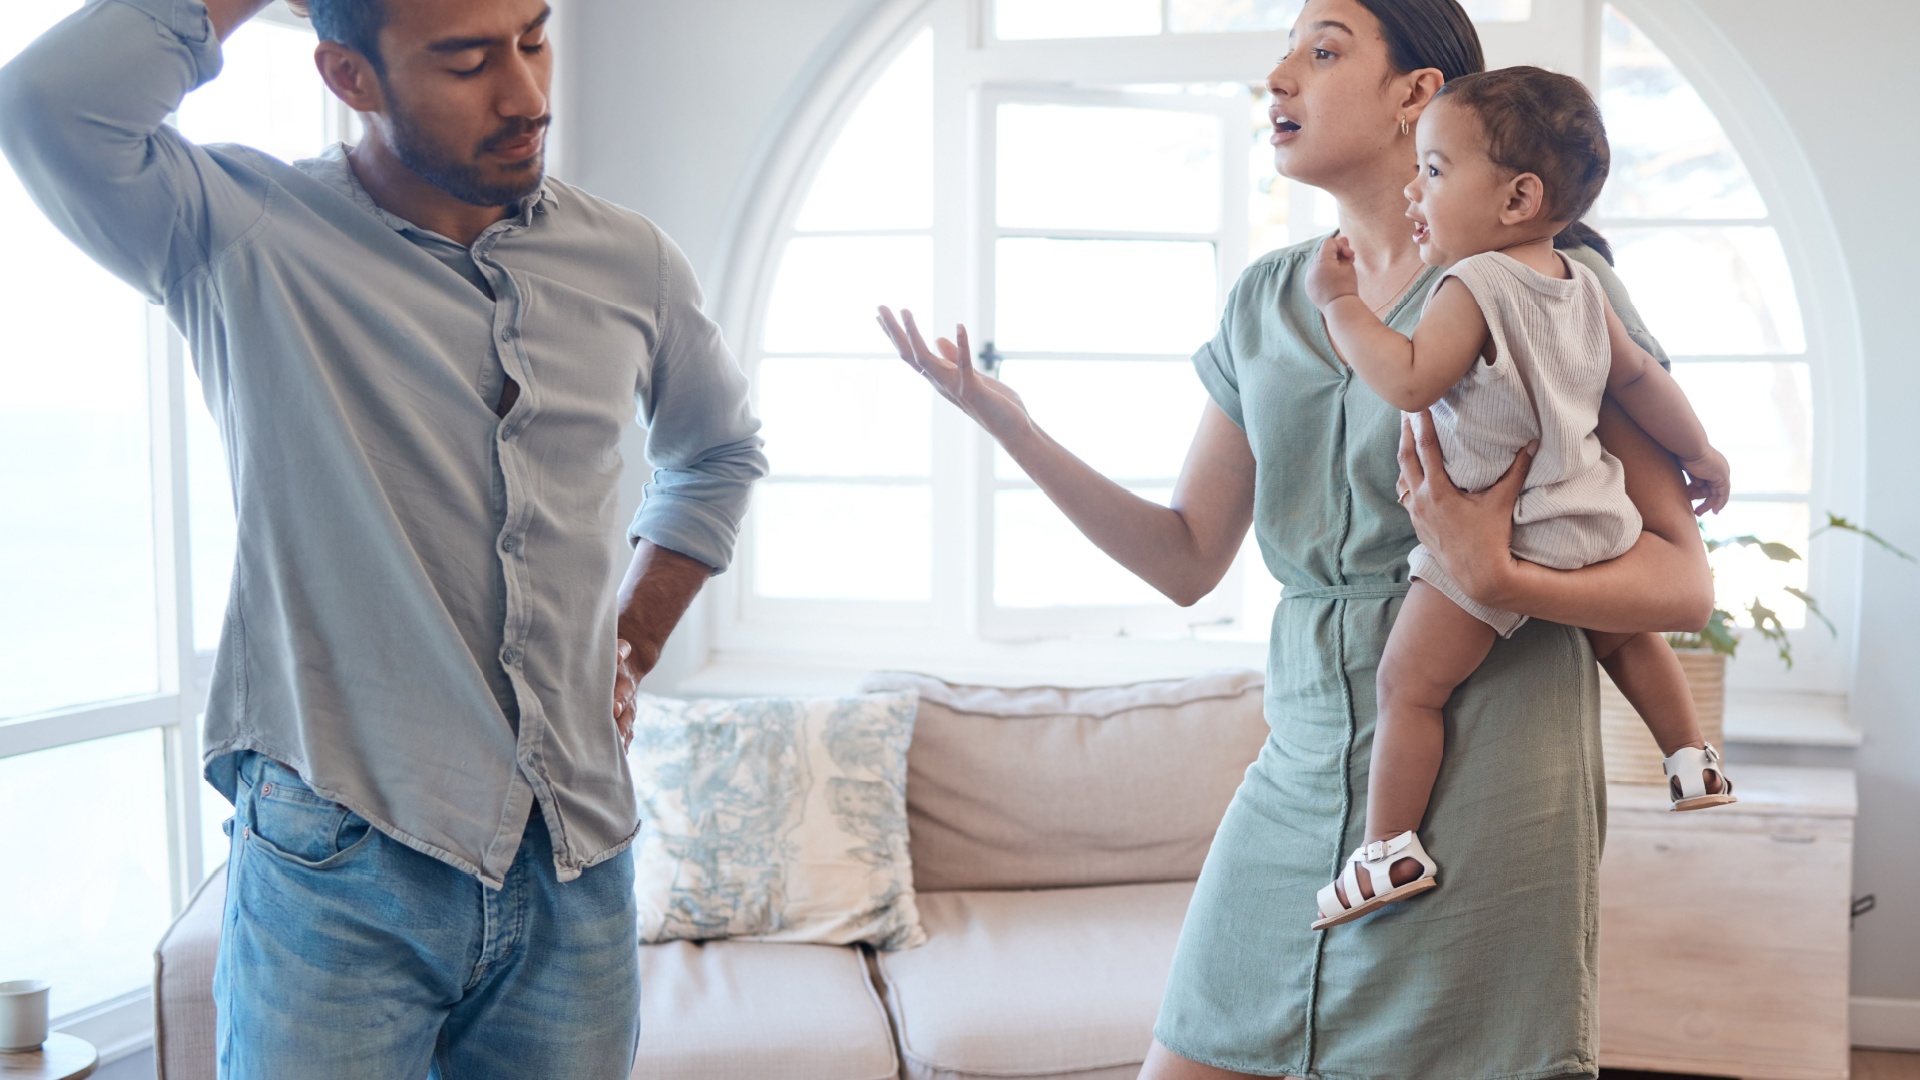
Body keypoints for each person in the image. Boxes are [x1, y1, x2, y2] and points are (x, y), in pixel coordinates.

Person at [876, 0, 1711, 1076]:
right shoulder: (1266, 303)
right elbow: (1185, 560)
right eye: (1284, 53)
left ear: (1419, 93)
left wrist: (1492, 571)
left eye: (1321, 52)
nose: (1278, 78)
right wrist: (1016, 430)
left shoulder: (1556, 284)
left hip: (1498, 776)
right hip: (1303, 772)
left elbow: (1681, 580)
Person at [0, 0, 765, 1076]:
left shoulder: (631, 262)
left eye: (534, 39)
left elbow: (718, 452)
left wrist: (633, 640)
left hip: (577, 866)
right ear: (349, 77)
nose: (527, 96)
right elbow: (45, 102)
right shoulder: (237, 231)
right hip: (339, 866)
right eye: (465, 61)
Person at [1301, 66, 1736, 932]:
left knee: (1409, 688)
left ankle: (1387, 847)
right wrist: (1702, 453)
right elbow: (1641, 380)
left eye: (1432, 171)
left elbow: (1411, 380)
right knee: (1626, 633)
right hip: (1589, 517)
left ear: (1516, 197)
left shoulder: (1476, 287)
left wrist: (1342, 306)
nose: (1411, 190)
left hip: (1500, 539)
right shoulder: (1578, 283)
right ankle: (1690, 756)